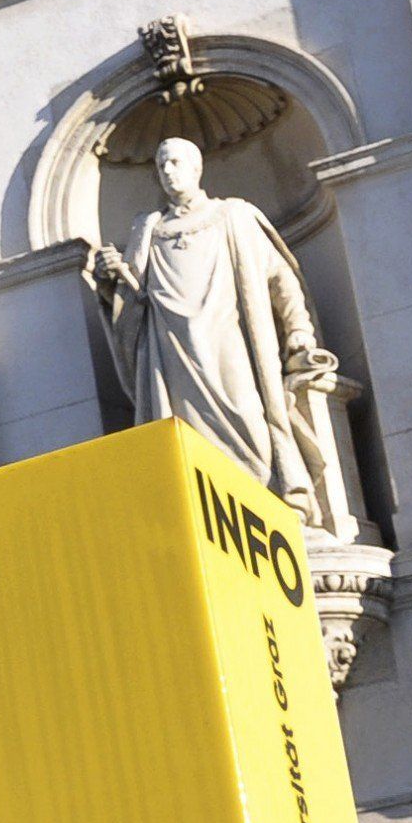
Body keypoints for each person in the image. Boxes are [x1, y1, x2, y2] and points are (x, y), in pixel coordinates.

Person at [88, 135, 347, 529]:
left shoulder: (234, 217)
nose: (168, 172)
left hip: (232, 344)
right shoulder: (149, 228)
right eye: (161, 166)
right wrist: (111, 281)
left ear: (197, 168)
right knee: (188, 441)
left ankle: (270, 506)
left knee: (253, 422)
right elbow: (134, 303)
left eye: (175, 162)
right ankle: (210, 523)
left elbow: (281, 279)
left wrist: (298, 331)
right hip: (171, 356)